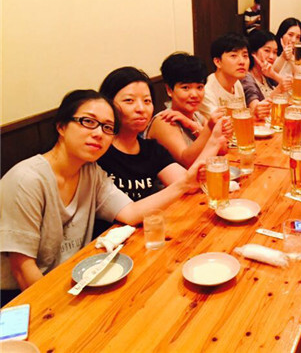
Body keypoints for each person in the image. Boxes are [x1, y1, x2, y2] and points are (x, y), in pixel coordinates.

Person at [0, 90, 203, 293]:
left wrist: (184, 184)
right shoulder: (27, 180)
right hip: (20, 296)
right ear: (61, 126)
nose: (98, 133)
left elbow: (131, 212)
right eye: (88, 122)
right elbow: (22, 270)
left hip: (75, 279)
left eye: (107, 127)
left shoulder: (91, 172)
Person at [98, 67, 223, 200]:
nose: (141, 108)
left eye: (147, 101)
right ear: (108, 104)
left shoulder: (152, 150)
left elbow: (189, 184)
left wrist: (214, 140)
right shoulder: (100, 151)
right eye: (129, 100)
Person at [145, 52, 230, 168]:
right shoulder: (164, 120)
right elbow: (186, 161)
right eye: (185, 88)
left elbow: (223, 150)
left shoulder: (197, 116)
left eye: (199, 87)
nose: (194, 94)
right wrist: (209, 128)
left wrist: (193, 126)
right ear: (169, 90)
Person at [241, 30, 291, 120]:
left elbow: (291, 93)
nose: (272, 57)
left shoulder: (266, 73)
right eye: (267, 51)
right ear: (253, 52)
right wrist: (279, 89)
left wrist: (273, 75)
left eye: (275, 52)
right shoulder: (246, 77)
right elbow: (256, 110)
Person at [198, 33, 250, 119]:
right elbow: (219, 123)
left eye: (245, 56)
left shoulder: (236, 83)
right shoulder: (206, 90)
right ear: (218, 62)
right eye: (233, 56)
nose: (242, 62)